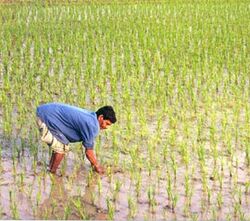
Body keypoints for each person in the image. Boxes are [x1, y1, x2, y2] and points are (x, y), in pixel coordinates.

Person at [36, 102, 117, 175]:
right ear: (101, 117)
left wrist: (94, 165)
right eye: (107, 123)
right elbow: (89, 152)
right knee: (61, 147)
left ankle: (50, 169)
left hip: (46, 112)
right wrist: (97, 167)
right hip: (45, 117)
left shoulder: (91, 117)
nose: (106, 127)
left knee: (61, 143)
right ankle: (52, 174)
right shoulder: (92, 125)